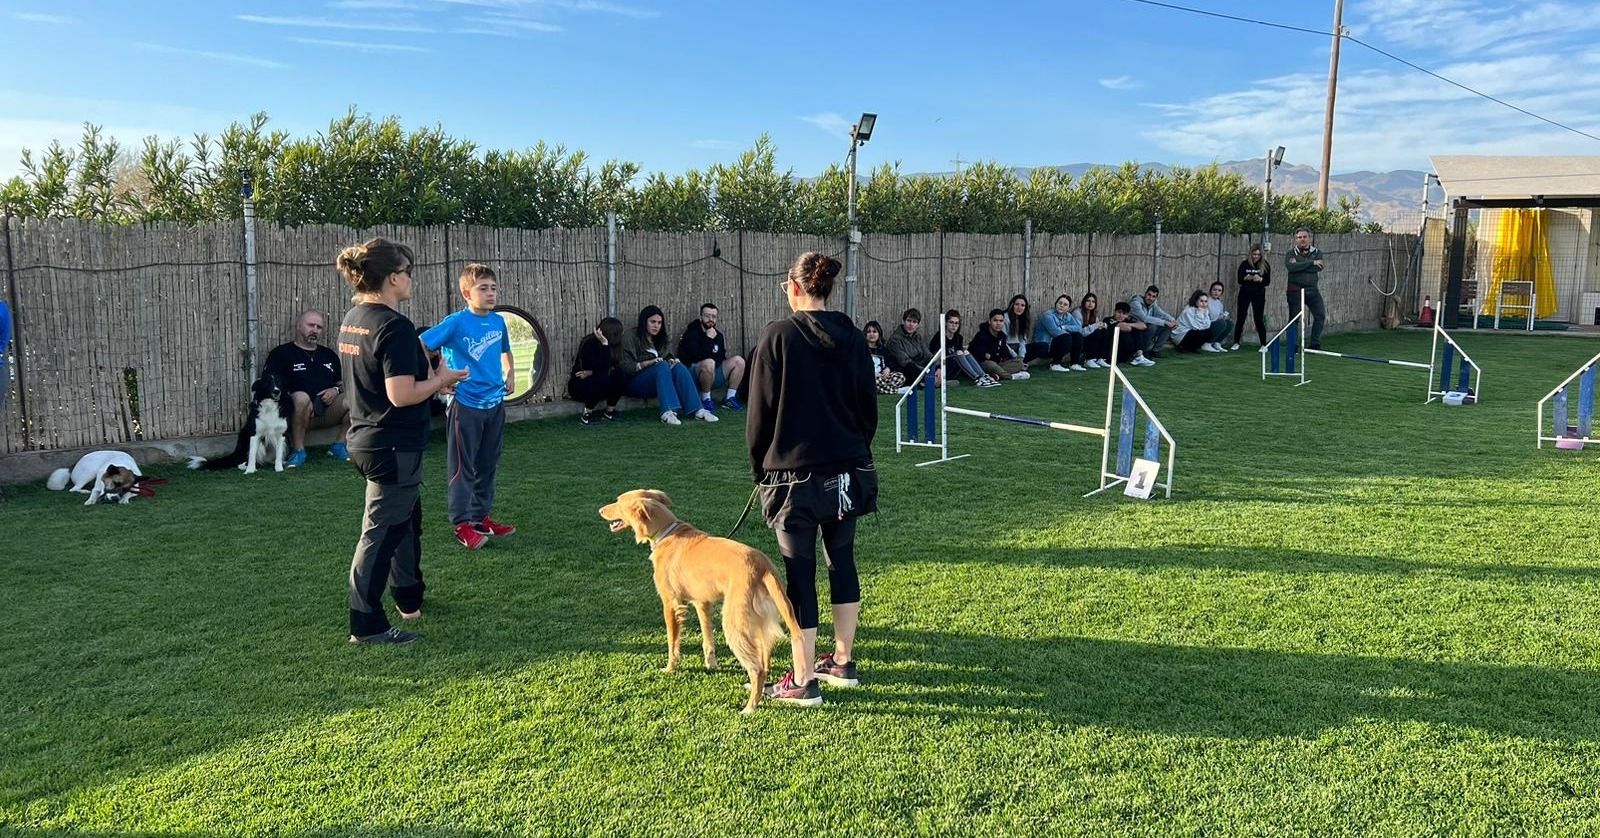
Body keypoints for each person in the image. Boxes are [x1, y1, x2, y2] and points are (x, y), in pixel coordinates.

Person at [747, 252, 878, 707]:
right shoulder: (854, 337)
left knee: (799, 572)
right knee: (842, 559)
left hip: (793, 479)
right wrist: (854, 450)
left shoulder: (777, 337)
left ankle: (803, 679)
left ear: (796, 287)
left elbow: (759, 414)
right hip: (848, 470)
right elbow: (868, 407)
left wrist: (760, 469)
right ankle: (842, 660)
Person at [337, 237, 468, 645]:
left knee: (406, 520)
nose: (411, 279)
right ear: (393, 278)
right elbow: (401, 394)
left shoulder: (355, 317)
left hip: (369, 438)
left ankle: (409, 597)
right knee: (383, 532)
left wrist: (432, 379)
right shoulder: (394, 325)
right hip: (390, 445)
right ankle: (366, 624)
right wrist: (441, 380)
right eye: (408, 272)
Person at [420, 263, 517, 551]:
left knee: (488, 463)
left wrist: (510, 373)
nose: (490, 293)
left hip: (494, 403)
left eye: (493, 288)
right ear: (466, 293)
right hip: (465, 404)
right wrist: (435, 379)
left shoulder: (498, 322)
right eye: (483, 288)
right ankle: (462, 523)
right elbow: (421, 344)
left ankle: (480, 517)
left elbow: (506, 350)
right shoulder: (456, 322)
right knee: (463, 466)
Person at [262, 310, 350, 466]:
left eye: (319, 327)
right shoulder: (281, 354)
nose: (315, 330)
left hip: (326, 410)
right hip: (293, 413)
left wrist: (335, 391)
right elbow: (269, 386)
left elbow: (341, 384)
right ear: (298, 326)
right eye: (311, 325)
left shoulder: (329, 355)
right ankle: (298, 450)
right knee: (301, 397)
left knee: (357, 396)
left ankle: (339, 444)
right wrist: (297, 399)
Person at [621, 305, 717, 425]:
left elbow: (666, 356)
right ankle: (667, 411)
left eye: (659, 323)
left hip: (658, 382)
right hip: (635, 382)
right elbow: (625, 366)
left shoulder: (660, 338)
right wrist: (647, 363)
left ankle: (697, 409)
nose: (656, 326)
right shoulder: (630, 337)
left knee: (678, 367)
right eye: (652, 322)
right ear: (644, 321)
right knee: (661, 365)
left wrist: (672, 360)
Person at [677, 302, 746, 413]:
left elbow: (720, 357)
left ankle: (729, 398)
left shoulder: (718, 336)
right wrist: (708, 340)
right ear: (701, 317)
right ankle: (705, 399)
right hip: (692, 375)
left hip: (712, 373)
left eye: (713, 316)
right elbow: (692, 356)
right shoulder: (692, 332)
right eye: (707, 316)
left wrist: (711, 351)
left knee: (739, 361)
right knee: (709, 362)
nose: (711, 319)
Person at [569, 317, 626, 425]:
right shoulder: (589, 343)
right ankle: (587, 414)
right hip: (581, 385)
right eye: (619, 332)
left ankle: (609, 411)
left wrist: (592, 372)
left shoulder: (616, 346)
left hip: (600, 383)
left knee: (619, 374)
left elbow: (615, 367)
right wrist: (604, 344)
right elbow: (598, 369)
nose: (622, 334)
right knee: (602, 377)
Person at [932, 309, 1000, 387]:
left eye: (956, 323)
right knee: (959, 352)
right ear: (946, 323)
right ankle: (977, 378)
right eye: (951, 322)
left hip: (955, 368)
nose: (954, 326)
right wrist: (939, 368)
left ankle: (983, 376)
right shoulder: (939, 337)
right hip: (942, 368)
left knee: (965, 352)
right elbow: (935, 357)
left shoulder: (959, 338)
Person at [1286, 228, 1327, 349]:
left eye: (1304, 237)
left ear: (1309, 238)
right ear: (1296, 239)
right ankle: (1293, 346)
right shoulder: (1291, 253)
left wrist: (1300, 266)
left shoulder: (1317, 252)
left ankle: (1314, 343)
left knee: (1320, 315)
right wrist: (1311, 263)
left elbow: (1318, 268)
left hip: (1312, 290)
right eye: (1299, 237)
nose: (1302, 239)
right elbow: (1291, 268)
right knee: (1294, 318)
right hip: (1295, 290)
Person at [883, 308, 942, 386]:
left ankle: (936, 379)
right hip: (906, 371)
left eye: (914, 322)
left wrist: (937, 368)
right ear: (904, 321)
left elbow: (928, 355)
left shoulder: (918, 337)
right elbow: (904, 361)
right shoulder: (895, 339)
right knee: (910, 368)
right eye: (909, 321)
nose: (911, 324)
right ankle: (928, 381)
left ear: (917, 325)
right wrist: (927, 374)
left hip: (922, 369)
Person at [1086, 300, 1154, 367]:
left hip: (1125, 351)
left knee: (1138, 330)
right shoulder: (1109, 320)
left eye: (1124, 313)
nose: (1121, 315)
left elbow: (1144, 326)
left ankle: (1139, 355)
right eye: (1119, 312)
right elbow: (1123, 327)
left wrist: (1130, 324)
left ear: (1127, 315)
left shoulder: (1128, 320)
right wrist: (1129, 326)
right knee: (1123, 332)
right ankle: (1136, 356)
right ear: (1114, 311)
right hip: (1113, 351)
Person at [969, 309, 1031, 381]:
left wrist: (995, 356)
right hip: (981, 364)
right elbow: (981, 355)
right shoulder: (982, 335)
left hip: (997, 364)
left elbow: (1004, 354)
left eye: (1001, 321)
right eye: (995, 320)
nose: (998, 323)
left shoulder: (1002, 336)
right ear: (989, 321)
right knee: (991, 364)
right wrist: (994, 356)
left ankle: (996, 376)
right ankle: (1011, 376)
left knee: (1019, 362)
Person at [1034, 294, 1088, 372]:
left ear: (1068, 308)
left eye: (1065, 304)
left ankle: (1074, 363)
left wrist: (1064, 327)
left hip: (1057, 344)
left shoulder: (1068, 316)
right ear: (1056, 304)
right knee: (1066, 337)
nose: (1062, 306)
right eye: (1060, 303)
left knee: (1077, 335)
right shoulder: (1048, 315)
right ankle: (1055, 364)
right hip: (1045, 346)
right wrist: (1068, 331)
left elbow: (1079, 328)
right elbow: (1055, 332)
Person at [1233, 244, 1271, 349]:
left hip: (1259, 294)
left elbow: (1267, 281)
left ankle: (1263, 344)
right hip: (1245, 293)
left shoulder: (1265, 265)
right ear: (1250, 254)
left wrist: (1260, 279)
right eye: (1254, 254)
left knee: (1258, 318)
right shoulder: (1244, 264)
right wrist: (1247, 278)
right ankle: (1236, 342)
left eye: (1258, 254)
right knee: (1241, 317)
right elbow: (1239, 279)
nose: (1256, 256)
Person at [1129, 285, 1178, 357]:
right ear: (1145, 294)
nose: (1150, 298)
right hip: (1135, 329)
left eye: (1153, 296)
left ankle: (1155, 351)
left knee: (1168, 327)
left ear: (1156, 298)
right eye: (1149, 295)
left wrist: (1173, 320)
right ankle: (1144, 352)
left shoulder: (1152, 304)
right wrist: (1164, 322)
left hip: (1145, 328)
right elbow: (1144, 318)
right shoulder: (1135, 303)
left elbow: (1161, 313)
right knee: (1152, 327)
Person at [1004, 294, 1051, 364]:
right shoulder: (1005, 318)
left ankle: (1019, 363)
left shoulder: (1023, 320)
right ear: (1012, 305)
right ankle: (1016, 363)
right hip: (1007, 349)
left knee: (1043, 346)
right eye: (1017, 304)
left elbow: (1022, 341)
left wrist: (1021, 356)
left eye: (1022, 305)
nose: (1019, 307)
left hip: (1018, 348)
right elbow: (1002, 342)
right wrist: (1015, 356)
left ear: (1025, 308)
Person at [862, 321, 906, 394]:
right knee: (872, 381)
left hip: (883, 378)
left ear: (879, 334)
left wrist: (888, 369)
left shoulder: (883, 350)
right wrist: (871, 373)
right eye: (869, 332)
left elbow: (893, 362)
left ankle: (882, 389)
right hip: (869, 378)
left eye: (874, 332)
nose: (871, 334)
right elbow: (858, 367)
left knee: (900, 377)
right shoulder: (861, 350)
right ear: (865, 334)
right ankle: (897, 391)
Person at [1076, 293, 1111, 369]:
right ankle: (1089, 359)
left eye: (1093, 302)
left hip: (1089, 338)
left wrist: (1103, 325)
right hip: (1079, 340)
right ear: (1084, 302)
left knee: (1104, 331)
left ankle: (1100, 358)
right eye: (1088, 301)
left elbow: (1097, 325)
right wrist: (1096, 326)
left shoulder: (1093, 313)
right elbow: (1080, 331)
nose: (1090, 303)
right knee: (1096, 332)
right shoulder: (1077, 313)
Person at [1205, 281, 1236, 351]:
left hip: (1215, 324)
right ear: (1210, 290)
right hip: (1206, 325)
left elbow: (1220, 316)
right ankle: (1207, 343)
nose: (1216, 292)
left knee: (1229, 323)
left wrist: (1225, 317)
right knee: (1221, 323)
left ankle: (1217, 342)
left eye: (1219, 290)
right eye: (1214, 290)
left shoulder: (1219, 304)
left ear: (1221, 293)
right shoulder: (1206, 301)